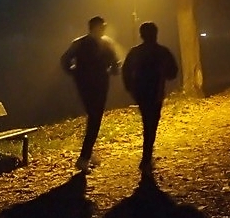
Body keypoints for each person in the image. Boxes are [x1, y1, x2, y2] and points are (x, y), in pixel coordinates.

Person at [60, 16, 121, 173]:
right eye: (102, 26)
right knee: (95, 118)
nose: (104, 28)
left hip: (85, 85)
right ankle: (84, 158)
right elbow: (115, 64)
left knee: (94, 118)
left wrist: (75, 72)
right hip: (99, 85)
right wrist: (112, 70)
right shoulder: (106, 43)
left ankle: (88, 152)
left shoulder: (79, 43)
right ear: (96, 27)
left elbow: (65, 60)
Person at [122, 21, 178, 173]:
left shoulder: (135, 52)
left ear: (141, 35)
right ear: (156, 34)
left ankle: (147, 157)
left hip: (140, 92)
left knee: (147, 121)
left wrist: (129, 87)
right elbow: (173, 72)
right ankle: (146, 157)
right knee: (152, 123)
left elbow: (126, 70)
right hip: (156, 91)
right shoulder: (162, 51)